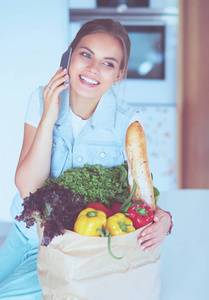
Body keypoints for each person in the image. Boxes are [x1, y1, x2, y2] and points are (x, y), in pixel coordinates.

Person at [0, 18, 172, 299]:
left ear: (118, 75)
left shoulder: (128, 122)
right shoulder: (41, 99)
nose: (93, 68)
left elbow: (137, 196)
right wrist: (49, 117)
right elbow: (28, 189)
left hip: (70, 250)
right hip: (24, 234)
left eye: (108, 63)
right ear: (69, 55)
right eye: (86, 55)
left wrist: (164, 218)